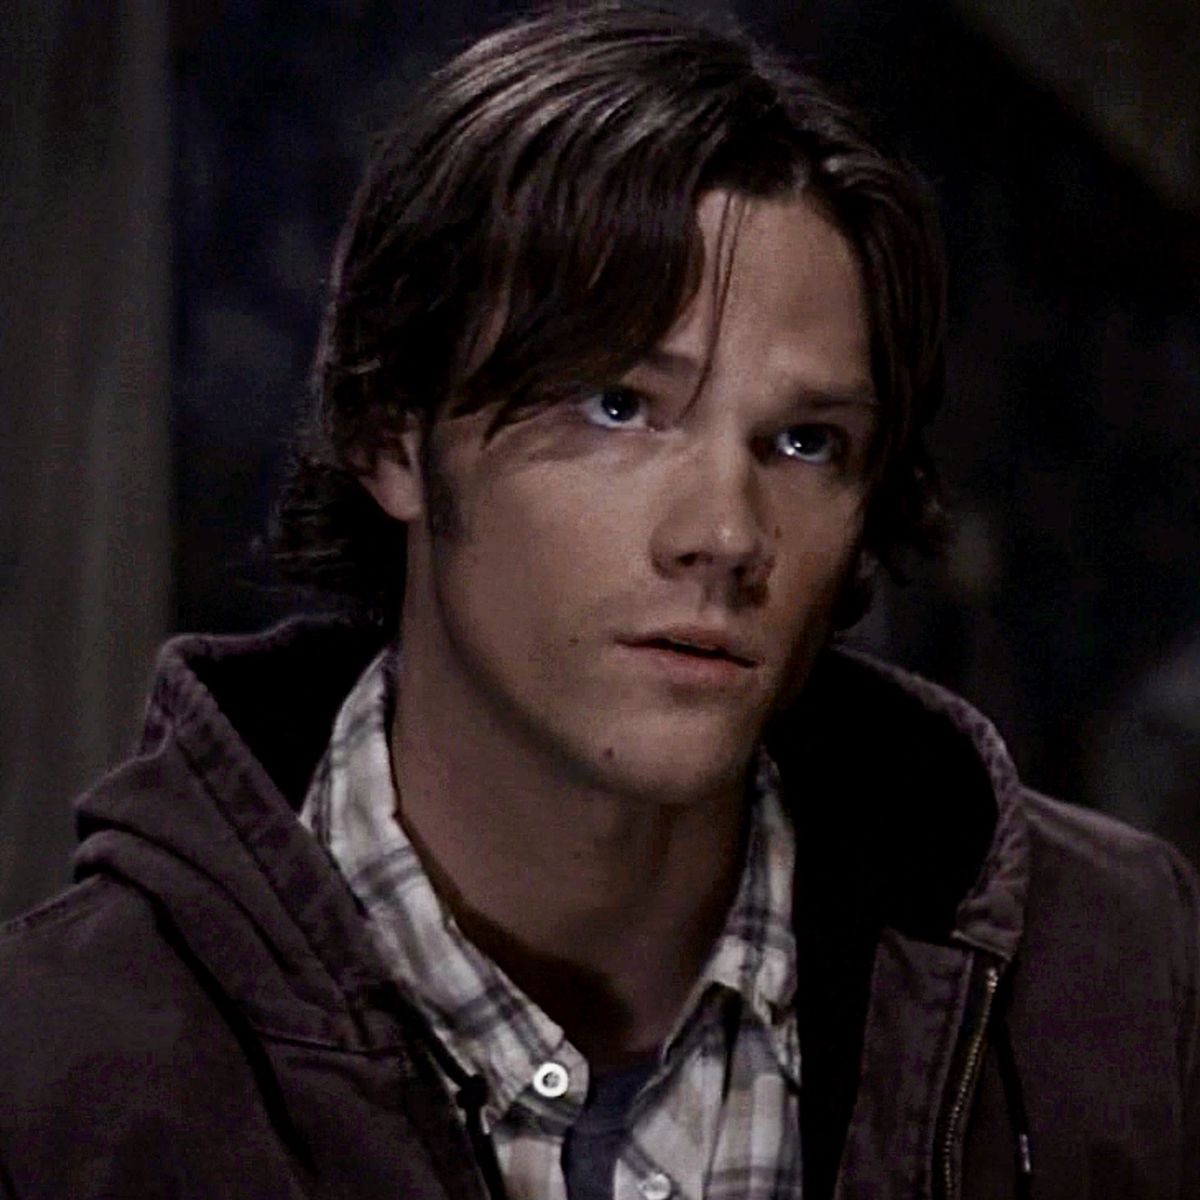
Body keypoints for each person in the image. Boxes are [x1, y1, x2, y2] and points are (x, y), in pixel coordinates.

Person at [1, 5, 1197, 1199]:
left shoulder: (1124, 979)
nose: (726, 535)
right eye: (619, 407)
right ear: (393, 434)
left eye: (804, 442)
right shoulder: (58, 1071)